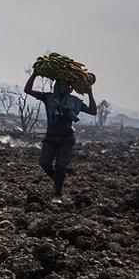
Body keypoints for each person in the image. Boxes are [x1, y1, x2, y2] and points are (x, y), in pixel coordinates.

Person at [24, 72, 97, 203]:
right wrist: (35, 74)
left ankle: (57, 194)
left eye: (64, 85)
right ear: (55, 86)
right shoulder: (49, 98)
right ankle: (58, 181)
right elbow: (27, 90)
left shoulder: (74, 102)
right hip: (51, 136)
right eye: (59, 84)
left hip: (66, 138)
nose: (61, 87)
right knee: (44, 162)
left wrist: (90, 94)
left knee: (61, 166)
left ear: (69, 88)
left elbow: (93, 111)